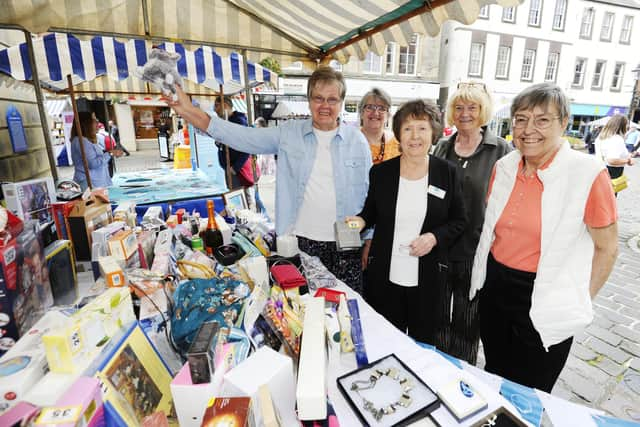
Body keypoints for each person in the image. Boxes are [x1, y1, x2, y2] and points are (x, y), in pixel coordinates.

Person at [168, 66, 372, 293]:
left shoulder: (357, 141)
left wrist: (369, 240)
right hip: (299, 244)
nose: (325, 106)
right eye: (318, 98)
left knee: (350, 312)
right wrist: (188, 110)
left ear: (341, 102)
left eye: (332, 99)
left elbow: (367, 195)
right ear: (309, 101)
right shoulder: (289, 133)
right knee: (304, 312)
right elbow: (241, 136)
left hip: (347, 247)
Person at [470, 83, 619, 392]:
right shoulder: (504, 166)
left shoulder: (587, 172)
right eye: (521, 119)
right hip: (497, 287)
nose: (529, 129)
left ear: (563, 122)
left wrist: (577, 300)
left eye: (543, 119)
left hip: (546, 293)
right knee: (496, 373)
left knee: (531, 392)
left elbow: (607, 248)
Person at [346, 100, 466, 344]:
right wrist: (358, 222)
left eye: (422, 128)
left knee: (423, 345)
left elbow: (459, 220)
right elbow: (369, 213)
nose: (415, 136)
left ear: (433, 133)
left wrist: (433, 238)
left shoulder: (447, 172)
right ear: (398, 133)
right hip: (386, 275)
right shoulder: (381, 173)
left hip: (428, 278)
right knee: (387, 342)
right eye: (408, 128)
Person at [432, 82, 512, 364]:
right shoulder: (442, 147)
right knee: (438, 315)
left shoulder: (500, 150)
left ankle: (463, 373)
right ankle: (438, 366)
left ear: (483, 111)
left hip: (476, 250)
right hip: (440, 247)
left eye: (472, 107)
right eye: (459, 107)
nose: (465, 113)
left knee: (468, 320)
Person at [358, 88, 401, 274]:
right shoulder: (349, 141)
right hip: (354, 221)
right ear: (361, 112)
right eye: (370, 107)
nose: (375, 113)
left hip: (387, 227)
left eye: (381, 108)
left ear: (388, 114)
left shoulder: (399, 145)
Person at [71, 112, 122, 190]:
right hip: (90, 184)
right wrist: (110, 153)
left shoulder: (86, 140)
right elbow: (93, 163)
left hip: (96, 183)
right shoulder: (82, 141)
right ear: (86, 123)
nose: (97, 122)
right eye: (94, 119)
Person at [595, 114, 634, 195]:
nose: (628, 127)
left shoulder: (601, 137)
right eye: (627, 124)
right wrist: (627, 160)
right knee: (608, 200)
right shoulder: (617, 139)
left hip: (599, 170)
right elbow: (612, 160)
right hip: (612, 173)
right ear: (622, 125)